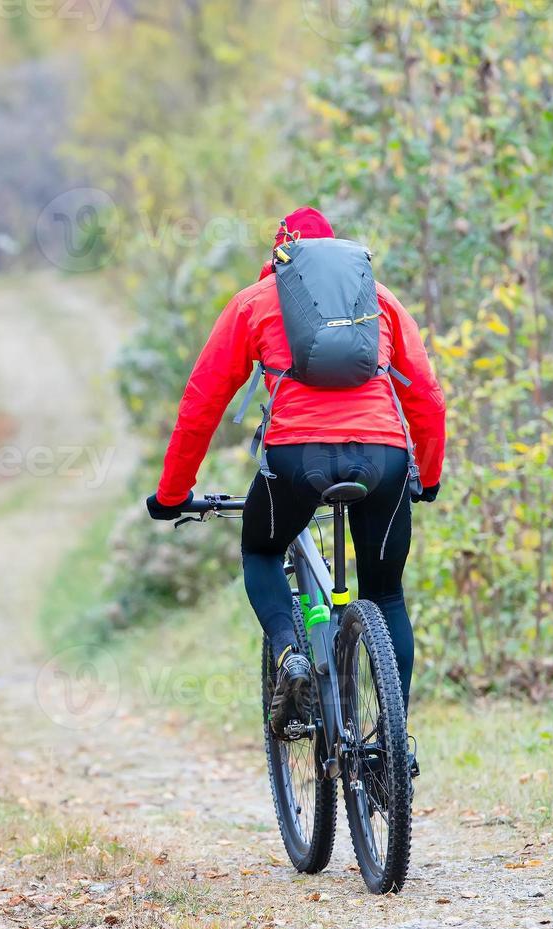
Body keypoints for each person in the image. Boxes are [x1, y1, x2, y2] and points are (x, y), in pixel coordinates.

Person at [144, 207, 445, 755]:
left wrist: (172, 494)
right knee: (387, 595)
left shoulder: (255, 302)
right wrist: (428, 474)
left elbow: (201, 404)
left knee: (261, 550)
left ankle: (290, 652)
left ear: (282, 256)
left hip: (296, 460)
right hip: (384, 458)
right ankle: (391, 747)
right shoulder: (379, 299)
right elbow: (426, 395)